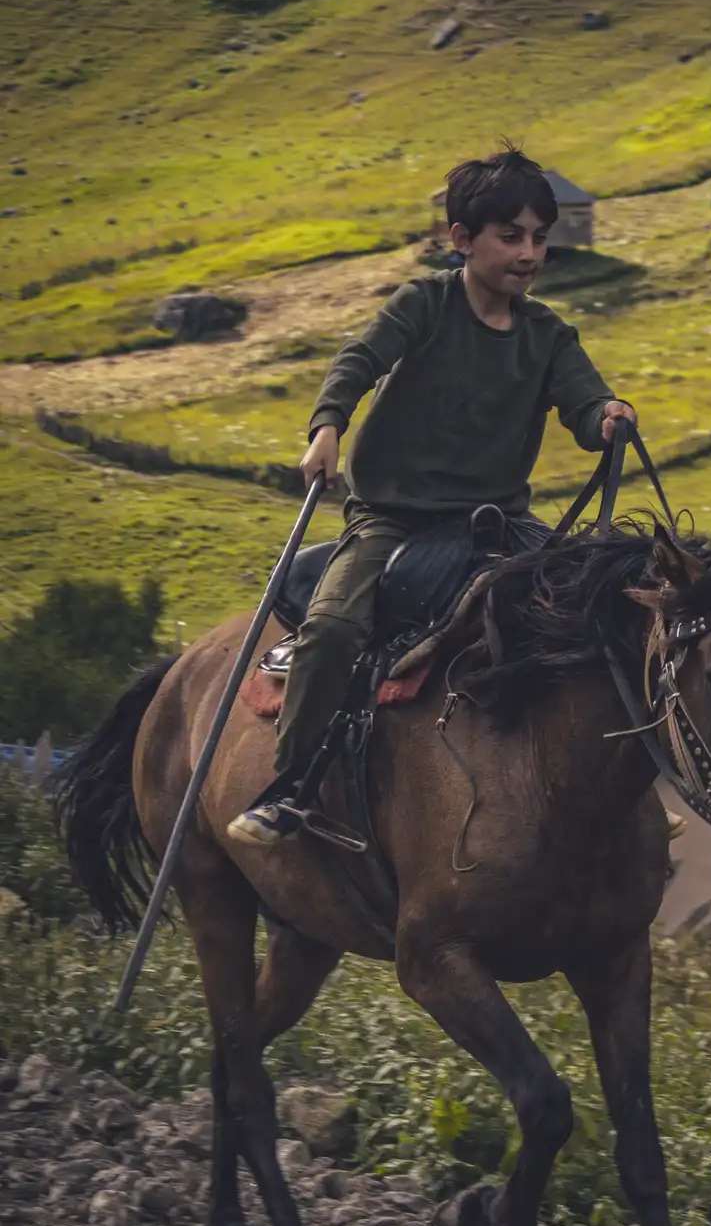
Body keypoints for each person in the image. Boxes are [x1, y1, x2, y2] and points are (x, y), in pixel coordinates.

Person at [226, 144, 659, 847]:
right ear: (461, 240)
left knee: (601, 613)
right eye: (510, 235)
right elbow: (359, 361)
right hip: (392, 521)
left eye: (540, 239)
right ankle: (292, 786)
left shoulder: (549, 336)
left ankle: (620, 791)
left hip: (498, 525)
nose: (528, 253)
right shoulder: (423, 304)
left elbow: (584, 402)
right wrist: (327, 425)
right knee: (334, 629)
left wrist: (606, 415)